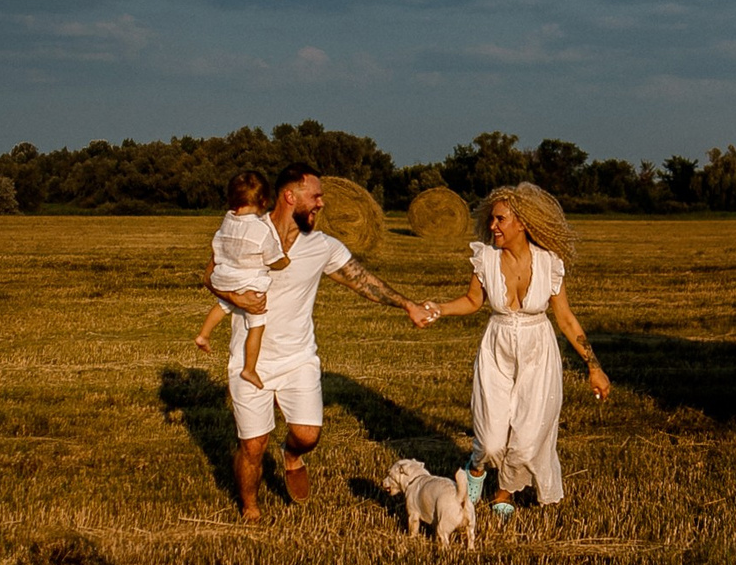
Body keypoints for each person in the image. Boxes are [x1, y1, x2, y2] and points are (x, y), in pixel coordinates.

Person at [206, 165, 433, 522]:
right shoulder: (249, 232)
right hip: (250, 359)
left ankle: (292, 456)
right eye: (316, 196)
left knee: (308, 435)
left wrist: (407, 305)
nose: (322, 204)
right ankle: (250, 508)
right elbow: (210, 274)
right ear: (289, 196)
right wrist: (236, 297)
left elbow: (362, 281)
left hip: (299, 358)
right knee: (252, 445)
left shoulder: (323, 246)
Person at [421, 183, 609, 520]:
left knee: (526, 437)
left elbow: (565, 318)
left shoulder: (550, 263)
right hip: (497, 345)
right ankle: (477, 467)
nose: (492, 226)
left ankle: (504, 490)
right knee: (491, 440)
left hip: (539, 350)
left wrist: (593, 366)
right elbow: (473, 301)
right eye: (492, 220)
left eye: (500, 220)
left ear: (521, 223)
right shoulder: (485, 258)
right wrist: (439, 308)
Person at [194, 170, 290, 388]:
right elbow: (274, 259)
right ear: (264, 201)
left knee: (222, 305)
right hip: (249, 283)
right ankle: (249, 369)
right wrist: (284, 261)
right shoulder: (261, 230)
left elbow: (218, 248)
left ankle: (204, 334)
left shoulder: (227, 222)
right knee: (257, 324)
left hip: (225, 278)